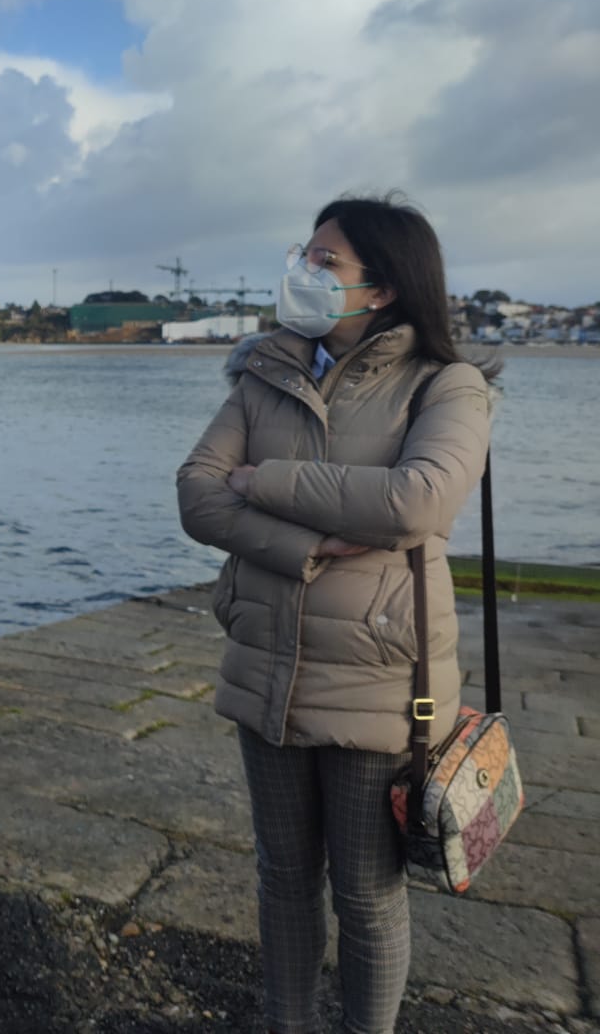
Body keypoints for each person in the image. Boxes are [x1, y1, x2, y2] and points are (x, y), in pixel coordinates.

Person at [176, 194, 496, 1034]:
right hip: (266, 663)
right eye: (304, 254)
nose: (304, 271)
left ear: (383, 287)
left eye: (326, 262)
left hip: (378, 678)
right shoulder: (264, 371)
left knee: (367, 894)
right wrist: (312, 548)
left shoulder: (447, 385)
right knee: (281, 879)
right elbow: (195, 496)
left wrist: (266, 482)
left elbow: (416, 501)